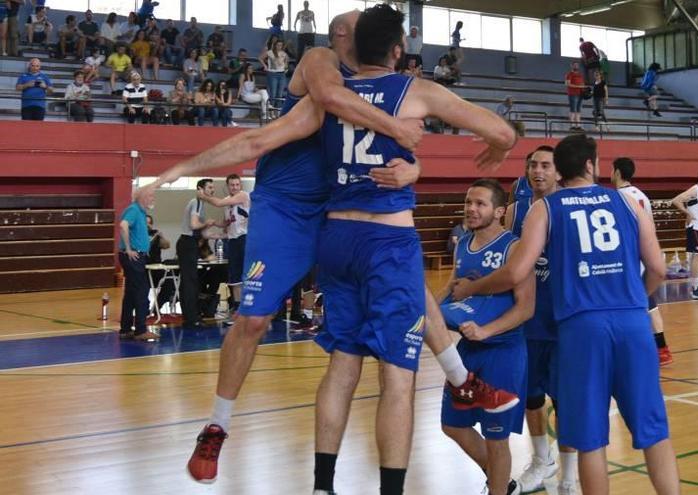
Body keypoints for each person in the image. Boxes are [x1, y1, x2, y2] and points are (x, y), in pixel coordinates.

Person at [138, 7, 514, 488]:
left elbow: (382, 136)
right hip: (291, 209)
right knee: (257, 318)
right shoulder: (323, 65)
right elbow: (296, 119)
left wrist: (413, 166)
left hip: (340, 217)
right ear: (344, 38)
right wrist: (174, 171)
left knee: (386, 317)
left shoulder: (373, 92)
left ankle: (459, 381)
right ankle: (217, 425)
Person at [451, 134, 681, 495]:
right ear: (592, 164)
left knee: (591, 440)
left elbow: (515, 272)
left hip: (581, 326)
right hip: (634, 321)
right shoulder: (628, 201)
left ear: (561, 169)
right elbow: (658, 268)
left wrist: (471, 288)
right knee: (654, 431)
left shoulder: (547, 208)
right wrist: (636, 298)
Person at [439, 179, 534, 495]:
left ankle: (498, 486)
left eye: (480, 203)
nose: (471, 209)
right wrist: (430, 314)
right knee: (452, 424)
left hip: (503, 351)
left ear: (499, 211)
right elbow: (452, 290)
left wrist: (486, 330)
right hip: (469, 350)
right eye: (468, 202)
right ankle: (501, 481)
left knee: (497, 438)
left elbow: (526, 308)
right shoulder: (463, 244)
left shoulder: (515, 247)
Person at [504, 147, 578, 494]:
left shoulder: (570, 208)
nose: (538, 171)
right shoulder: (515, 210)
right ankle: (541, 460)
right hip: (527, 322)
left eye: (546, 165)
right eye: (532, 165)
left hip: (563, 323)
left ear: (559, 172)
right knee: (531, 397)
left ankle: (569, 475)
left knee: (565, 401)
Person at [612, 157, 674, 367]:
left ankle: (631, 351)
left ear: (618, 172)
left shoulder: (618, 197)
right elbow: (651, 230)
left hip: (627, 260)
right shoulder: (643, 196)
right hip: (643, 257)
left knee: (629, 308)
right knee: (649, 304)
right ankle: (661, 349)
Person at [199, 175, 249, 315]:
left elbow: (218, 203)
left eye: (237, 184)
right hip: (232, 240)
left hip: (245, 238)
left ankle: (250, 306)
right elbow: (226, 223)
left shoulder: (243, 196)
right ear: (227, 186)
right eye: (232, 185)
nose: (235, 187)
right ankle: (237, 307)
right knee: (234, 276)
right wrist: (214, 224)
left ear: (240, 186)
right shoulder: (227, 202)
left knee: (248, 274)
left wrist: (203, 196)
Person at [119, 187, 161, 342]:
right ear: (142, 197)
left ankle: (125, 328)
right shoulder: (134, 210)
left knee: (131, 293)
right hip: (134, 256)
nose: (152, 198)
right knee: (142, 292)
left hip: (135, 256)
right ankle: (141, 330)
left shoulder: (140, 212)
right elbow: (123, 225)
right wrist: (129, 249)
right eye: (150, 195)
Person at [178, 179, 217, 328]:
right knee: (190, 282)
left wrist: (220, 233)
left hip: (190, 243)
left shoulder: (200, 204)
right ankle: (191, 318)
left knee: (190, 281)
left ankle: (190, 316)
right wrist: (207, 223)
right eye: (210, 187)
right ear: (200, 189)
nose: (212, 190)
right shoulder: (197, 202)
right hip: (188, 243)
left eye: (213, 187)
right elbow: (194, 225)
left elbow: (203, 232)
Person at [672, 168, 698, 300]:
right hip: (695, 227)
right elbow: (676, 200)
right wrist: (688, 213)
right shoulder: (695, 190)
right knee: (697, 256)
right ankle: (695, 288)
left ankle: (697, 286)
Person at [261, 39, 289, 103]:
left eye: (281, 45)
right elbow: (260, 58)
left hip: (282, 74)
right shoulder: (270, 52)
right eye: (278, 45)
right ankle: (272, 109)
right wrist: (265, 66)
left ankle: (277, 110)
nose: (279, 46)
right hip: (272, 73)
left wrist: (286, 68)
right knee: (273, 93)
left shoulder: (284, 53)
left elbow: (286, 63)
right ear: (275, 45)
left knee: (280, 93)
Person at [564, 61, 585, 129]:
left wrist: (584, 89)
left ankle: (578, 125)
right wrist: (579, 86)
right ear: (572, 66)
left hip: (580, 94)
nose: (576, 66)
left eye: (577, 65)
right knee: (572, 109)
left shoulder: (580, 75)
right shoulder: (569, 74)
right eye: (575, 65)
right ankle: (572, 125)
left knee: (578, 110)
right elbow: (567, 84)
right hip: (572, 94)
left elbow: (582, 84)